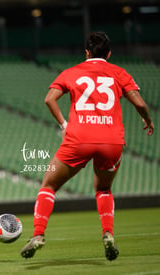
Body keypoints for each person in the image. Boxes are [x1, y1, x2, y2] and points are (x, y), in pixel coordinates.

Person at [20, 32, 154, 261]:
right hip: (111, 141)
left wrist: (64, 124)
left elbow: (49, 99)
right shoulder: (119, 73)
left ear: (86, 52)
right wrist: (148, 120)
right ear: (109, 53)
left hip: (78, 139)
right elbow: (140, 103)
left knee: (49, 184)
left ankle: (38, 234)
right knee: (103, 189)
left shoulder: (71, 73)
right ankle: (108, 233)